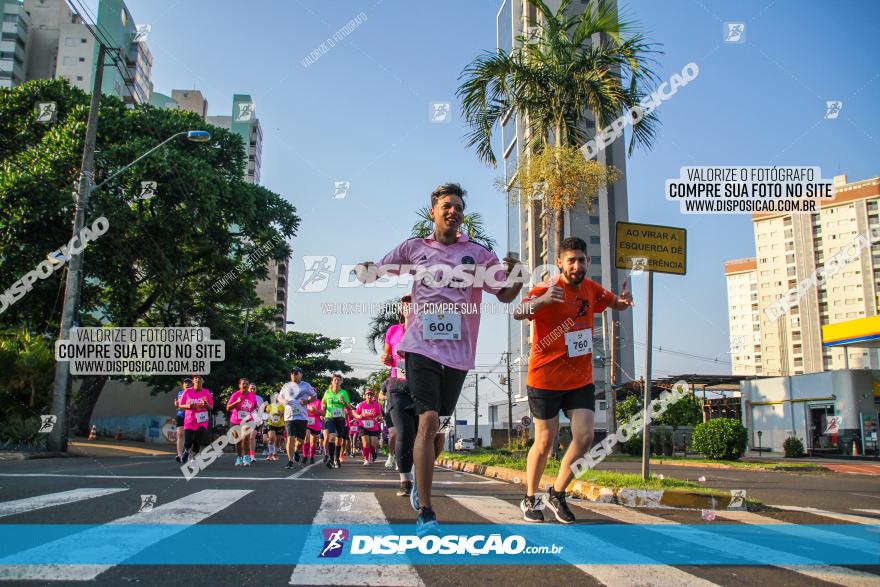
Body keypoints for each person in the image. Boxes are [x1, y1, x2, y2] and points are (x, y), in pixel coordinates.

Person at [355, 183, 522, 534]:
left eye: (458, 206)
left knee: (437, 432)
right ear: (433, 212)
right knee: (428, 419)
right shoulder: (414, 247)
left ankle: (420, 480)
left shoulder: (477, 254)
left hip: (459, 353)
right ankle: (427, 511)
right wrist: (365, 270)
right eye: (447, 205)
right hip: (420, 347)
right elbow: (380, 270)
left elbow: (505, 295)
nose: (453, 211)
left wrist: (517, 273)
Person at [513, 236, 633, 523]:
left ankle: (557, 492)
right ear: (560, 263)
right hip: (544, 378)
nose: (577, 265)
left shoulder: (591, 290)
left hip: (580, 378)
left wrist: (623, 303)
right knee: (544, 442)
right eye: (571, 260)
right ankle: (530, 498)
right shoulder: (548, 288)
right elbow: (519, 312)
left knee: (585, 437)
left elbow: (612, 302)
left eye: (581, 259)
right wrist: (541, 301)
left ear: (587, 262)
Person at [381, 295, 411, 469]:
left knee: (417, 432)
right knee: (400, 432)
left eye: (413, 304)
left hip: (419, 383)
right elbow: (387, 356)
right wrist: (386, 358)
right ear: (402, 310)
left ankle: (414, 466)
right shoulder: (393, 331)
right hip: (397, 384)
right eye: (405, 305)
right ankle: (404, 474)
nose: (408, 307)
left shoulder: (425, 330)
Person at [278, 368, 318, 470]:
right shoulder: (286, 386)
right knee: (290, 437)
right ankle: (290, 461)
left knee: (300, 440)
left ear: (301, 374)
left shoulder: (306, 385)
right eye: (292, 373)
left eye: (296, 373)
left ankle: (296, 451)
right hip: (289, 416)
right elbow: (279, 397)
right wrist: (284, 401)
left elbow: (314, 396)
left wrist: (307, 402)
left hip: (302, 416)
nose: (293, 375)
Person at [178, 375, 214, 464]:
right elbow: (180, 405)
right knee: (188, 441)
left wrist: (206, 404)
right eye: (195, 378)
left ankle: (193, 459)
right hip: (190, 419)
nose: (197, 379)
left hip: (202, 420)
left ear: (203, 381)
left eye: (199, 378)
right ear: (193, 381)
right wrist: (188, 406)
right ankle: (186, 451)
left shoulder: (206, 393)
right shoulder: (187, 392)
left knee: (197, 441)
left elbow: (211, 407)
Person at [321, 372, 352, 469]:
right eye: (335, 380)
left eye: (338, 380)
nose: (337, 381)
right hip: (330, 417)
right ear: (332, 381)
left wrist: (343, 402)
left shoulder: (344, 393)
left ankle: (337, 459)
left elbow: (348, 407)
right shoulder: (327, 392)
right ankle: (331, 459)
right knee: (332, 437)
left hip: (340, 418)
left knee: (339, 441)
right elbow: (323, 402)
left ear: (341, 382)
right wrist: (323, 408)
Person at [226, 378, 258, 466]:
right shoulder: (235, 395)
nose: (245, 385)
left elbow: (254, 405)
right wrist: (237, 401)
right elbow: (228, 408)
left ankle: (246, 457)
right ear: (239, 385)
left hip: (247, 420)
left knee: (246, 437)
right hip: (235, 420)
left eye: (247, 384)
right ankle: (239, 457)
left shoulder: (252, 395)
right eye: (243, 384)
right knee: (238, 441)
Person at [354, 389, 383, 466]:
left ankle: (371, 453)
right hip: (363, 426)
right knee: (366, 443)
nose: (369, 396)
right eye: (368, 395)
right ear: (365, 396)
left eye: (371, 395)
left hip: (374, 426)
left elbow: (380, 415)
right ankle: (366, 459)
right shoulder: (361, 405)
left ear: (373, 396)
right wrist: (359, 416)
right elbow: (356, 414)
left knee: (374, 444)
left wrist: (377, 418)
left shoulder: (376, 405)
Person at [173, 378, 192, 463]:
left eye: (189, 383)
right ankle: (179, 455)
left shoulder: (194, 393)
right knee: (180, 434)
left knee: (189, 437)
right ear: (183, 385)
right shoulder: (180, 393)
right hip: (181, 415)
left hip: (191, 416)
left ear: (192, 384)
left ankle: (189, 454)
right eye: (185, 383)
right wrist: (177, 404)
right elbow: (179, 405)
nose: (187, 384)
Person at [265, 393, 286, 461]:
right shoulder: (270, 406)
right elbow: (267, 413)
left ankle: (275, 454)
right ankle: (270, 453)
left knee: (277, 440)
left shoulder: (283, 406)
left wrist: (281, 413)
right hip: (271, 424)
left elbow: (285, 414)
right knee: (271, 438)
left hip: (280, 425)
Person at [305, 394, 324, 464]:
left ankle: (312, 457)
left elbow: (322, 413)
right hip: (306, 423)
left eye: (313, 394)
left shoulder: (319, 402)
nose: (311, 396)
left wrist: (315, 411)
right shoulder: (305, 402)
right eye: (309, 394)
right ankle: (304, 456)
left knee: (313, 443)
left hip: (316, 424)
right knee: (306, 439)